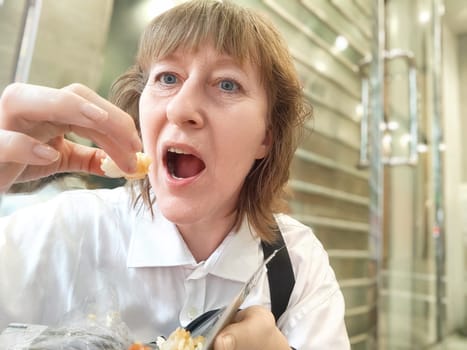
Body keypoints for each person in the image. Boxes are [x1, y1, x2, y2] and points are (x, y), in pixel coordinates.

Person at [0, 1, 350, 349]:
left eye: (227, 85)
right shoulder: (70, 231)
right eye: (168, 78)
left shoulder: (296, 264)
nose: (180, 108)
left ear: (266, 137)